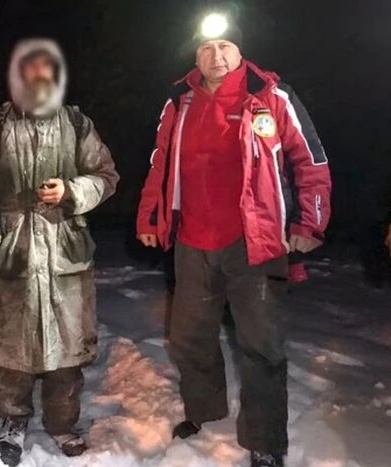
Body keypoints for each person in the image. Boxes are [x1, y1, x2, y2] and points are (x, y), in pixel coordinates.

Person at [136, 14, 331, 467]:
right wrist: (150, 216)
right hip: (194, 241)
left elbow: (311, 161)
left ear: (240, 52)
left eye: (224, 46)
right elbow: (161, 164)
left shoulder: (271, 97)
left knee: (261, 344)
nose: (216, 56)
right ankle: (205, 410)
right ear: (195, 56)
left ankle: (265, 441)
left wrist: (309, 223)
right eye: (206, 48)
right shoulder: (179, 102)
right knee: (188, 336)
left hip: (256, 242)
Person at [0, 38, 119, 466]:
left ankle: (62, 422)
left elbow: (105, 175)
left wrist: (71, 190)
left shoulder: (76, 122)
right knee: (13, 346)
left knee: (68, 345)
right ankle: (14, 419)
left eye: (45, 70)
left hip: (65, 246)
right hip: (12, 243)